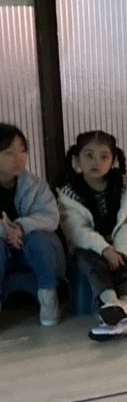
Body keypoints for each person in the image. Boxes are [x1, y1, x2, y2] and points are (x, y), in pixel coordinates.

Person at [57, 130, 127, 341]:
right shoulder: (69, 192)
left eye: (103, 156)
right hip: (89, 246)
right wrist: (104, 249)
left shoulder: (124, 188)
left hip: (118, 244)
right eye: (89, 155)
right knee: (91, 262)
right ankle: (110, 303)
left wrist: (119, 250)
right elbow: (76, 231)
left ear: (113, 161)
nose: (96, 162)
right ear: (77, 159)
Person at [0, 124, 65, 326]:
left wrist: (20, 227)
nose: (18, 158)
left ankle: (48, 300)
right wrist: (5, 232)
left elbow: (51, 218)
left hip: (32, 252)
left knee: (39, 238)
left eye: (22, 150)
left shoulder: (35, 185)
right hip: (3, 251)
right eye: (8, 152)